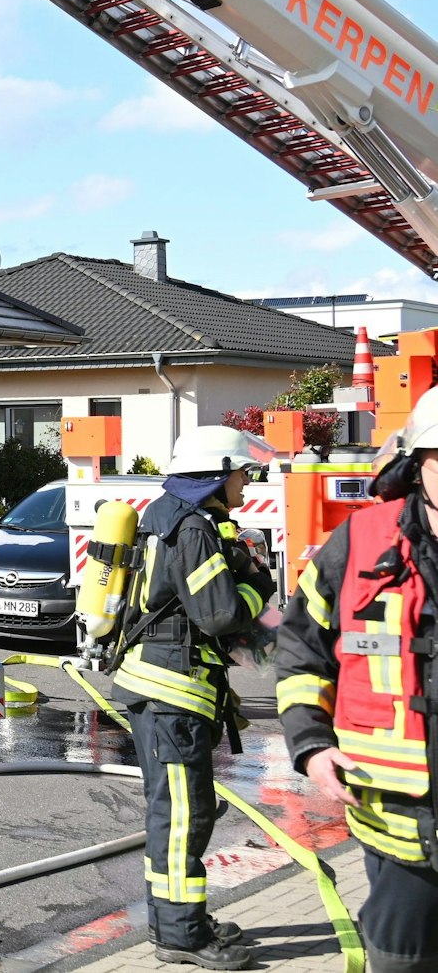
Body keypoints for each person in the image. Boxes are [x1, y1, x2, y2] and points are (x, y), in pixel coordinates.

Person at [278, 386, 438, 972]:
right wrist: (312, 746)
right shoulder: (361, 541)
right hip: (395, 822)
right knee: (401, 961)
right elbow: (300, 648)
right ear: (417, 464)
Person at [115, 424, 276, 970]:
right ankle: (182, 937)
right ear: (216, 473)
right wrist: (260, 585)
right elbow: (220, 613)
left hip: (163, 687)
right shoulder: (193, 529)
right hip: (170, 693)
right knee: (183, 816)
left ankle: (178, 923)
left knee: (179, 813)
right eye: (242, 473)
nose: (246, 485)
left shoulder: (168, 515)